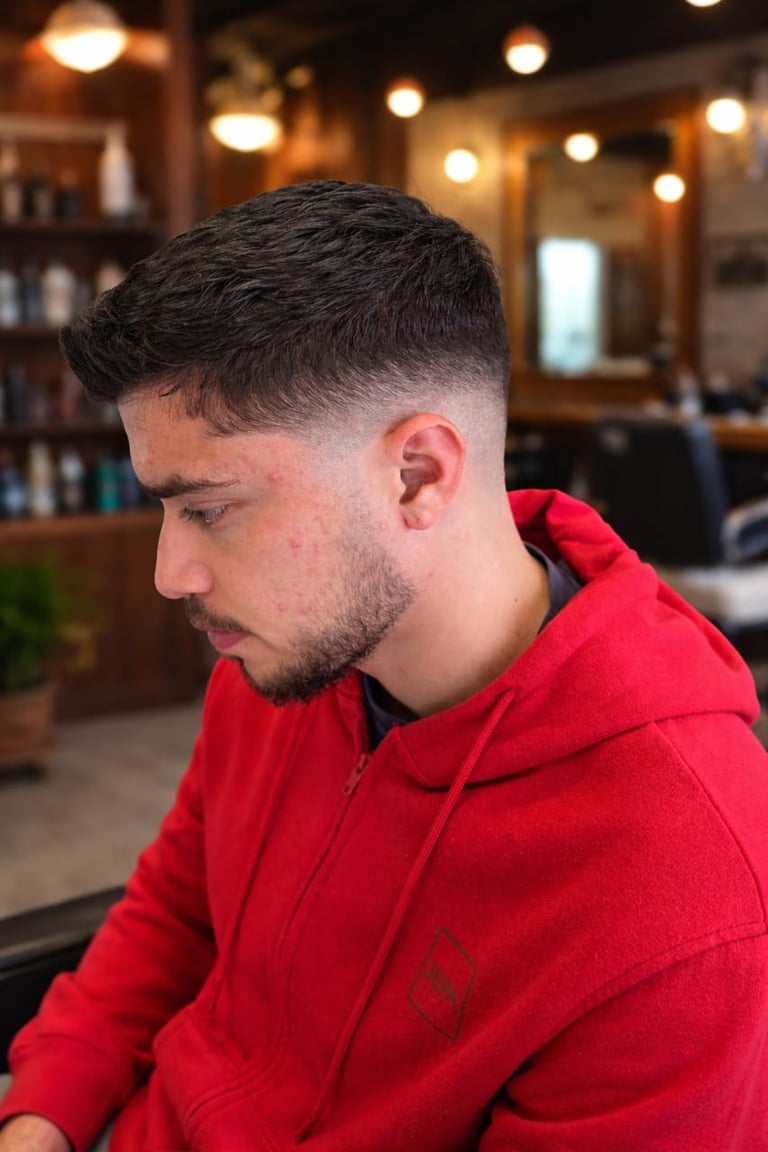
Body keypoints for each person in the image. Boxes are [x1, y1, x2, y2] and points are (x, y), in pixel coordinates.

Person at [1, 180, 767, 1151]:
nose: (170, 574)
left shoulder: (675, 892)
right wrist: (43, 1116)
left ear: (418, 477)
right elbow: (176, 907)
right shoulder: (283, 658)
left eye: (210, 508)